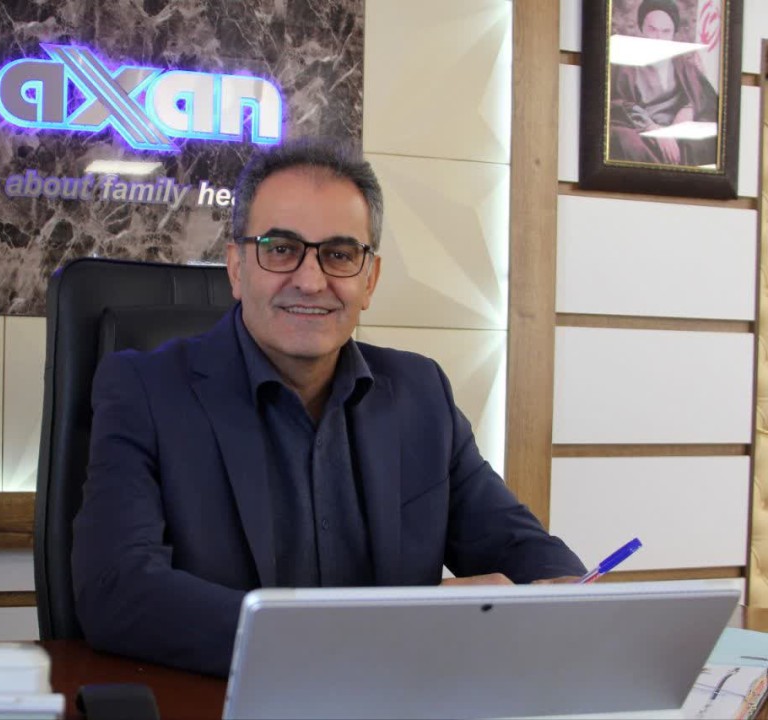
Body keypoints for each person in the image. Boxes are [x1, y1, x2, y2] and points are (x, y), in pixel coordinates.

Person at [71, 141, 586, 677]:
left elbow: (520, 547)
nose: (311, 281)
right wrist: (361, 638)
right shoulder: (145, 390)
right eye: (280, 249)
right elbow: (116, 590)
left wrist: (566, 593)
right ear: (236, 267)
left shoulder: (420, 393)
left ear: (370, 279)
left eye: (339, 255)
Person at [609, 0, 719, 166]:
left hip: (677, 131)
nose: (658, 37)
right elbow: (619, 102)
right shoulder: (625, 66)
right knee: (624, 140)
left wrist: (687, 111)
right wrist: (654, 130)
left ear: (673, 34)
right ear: (641, 29)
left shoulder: (682, 65)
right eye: (652, 29)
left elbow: (701, 97)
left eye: (665, 31)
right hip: (642, 129)